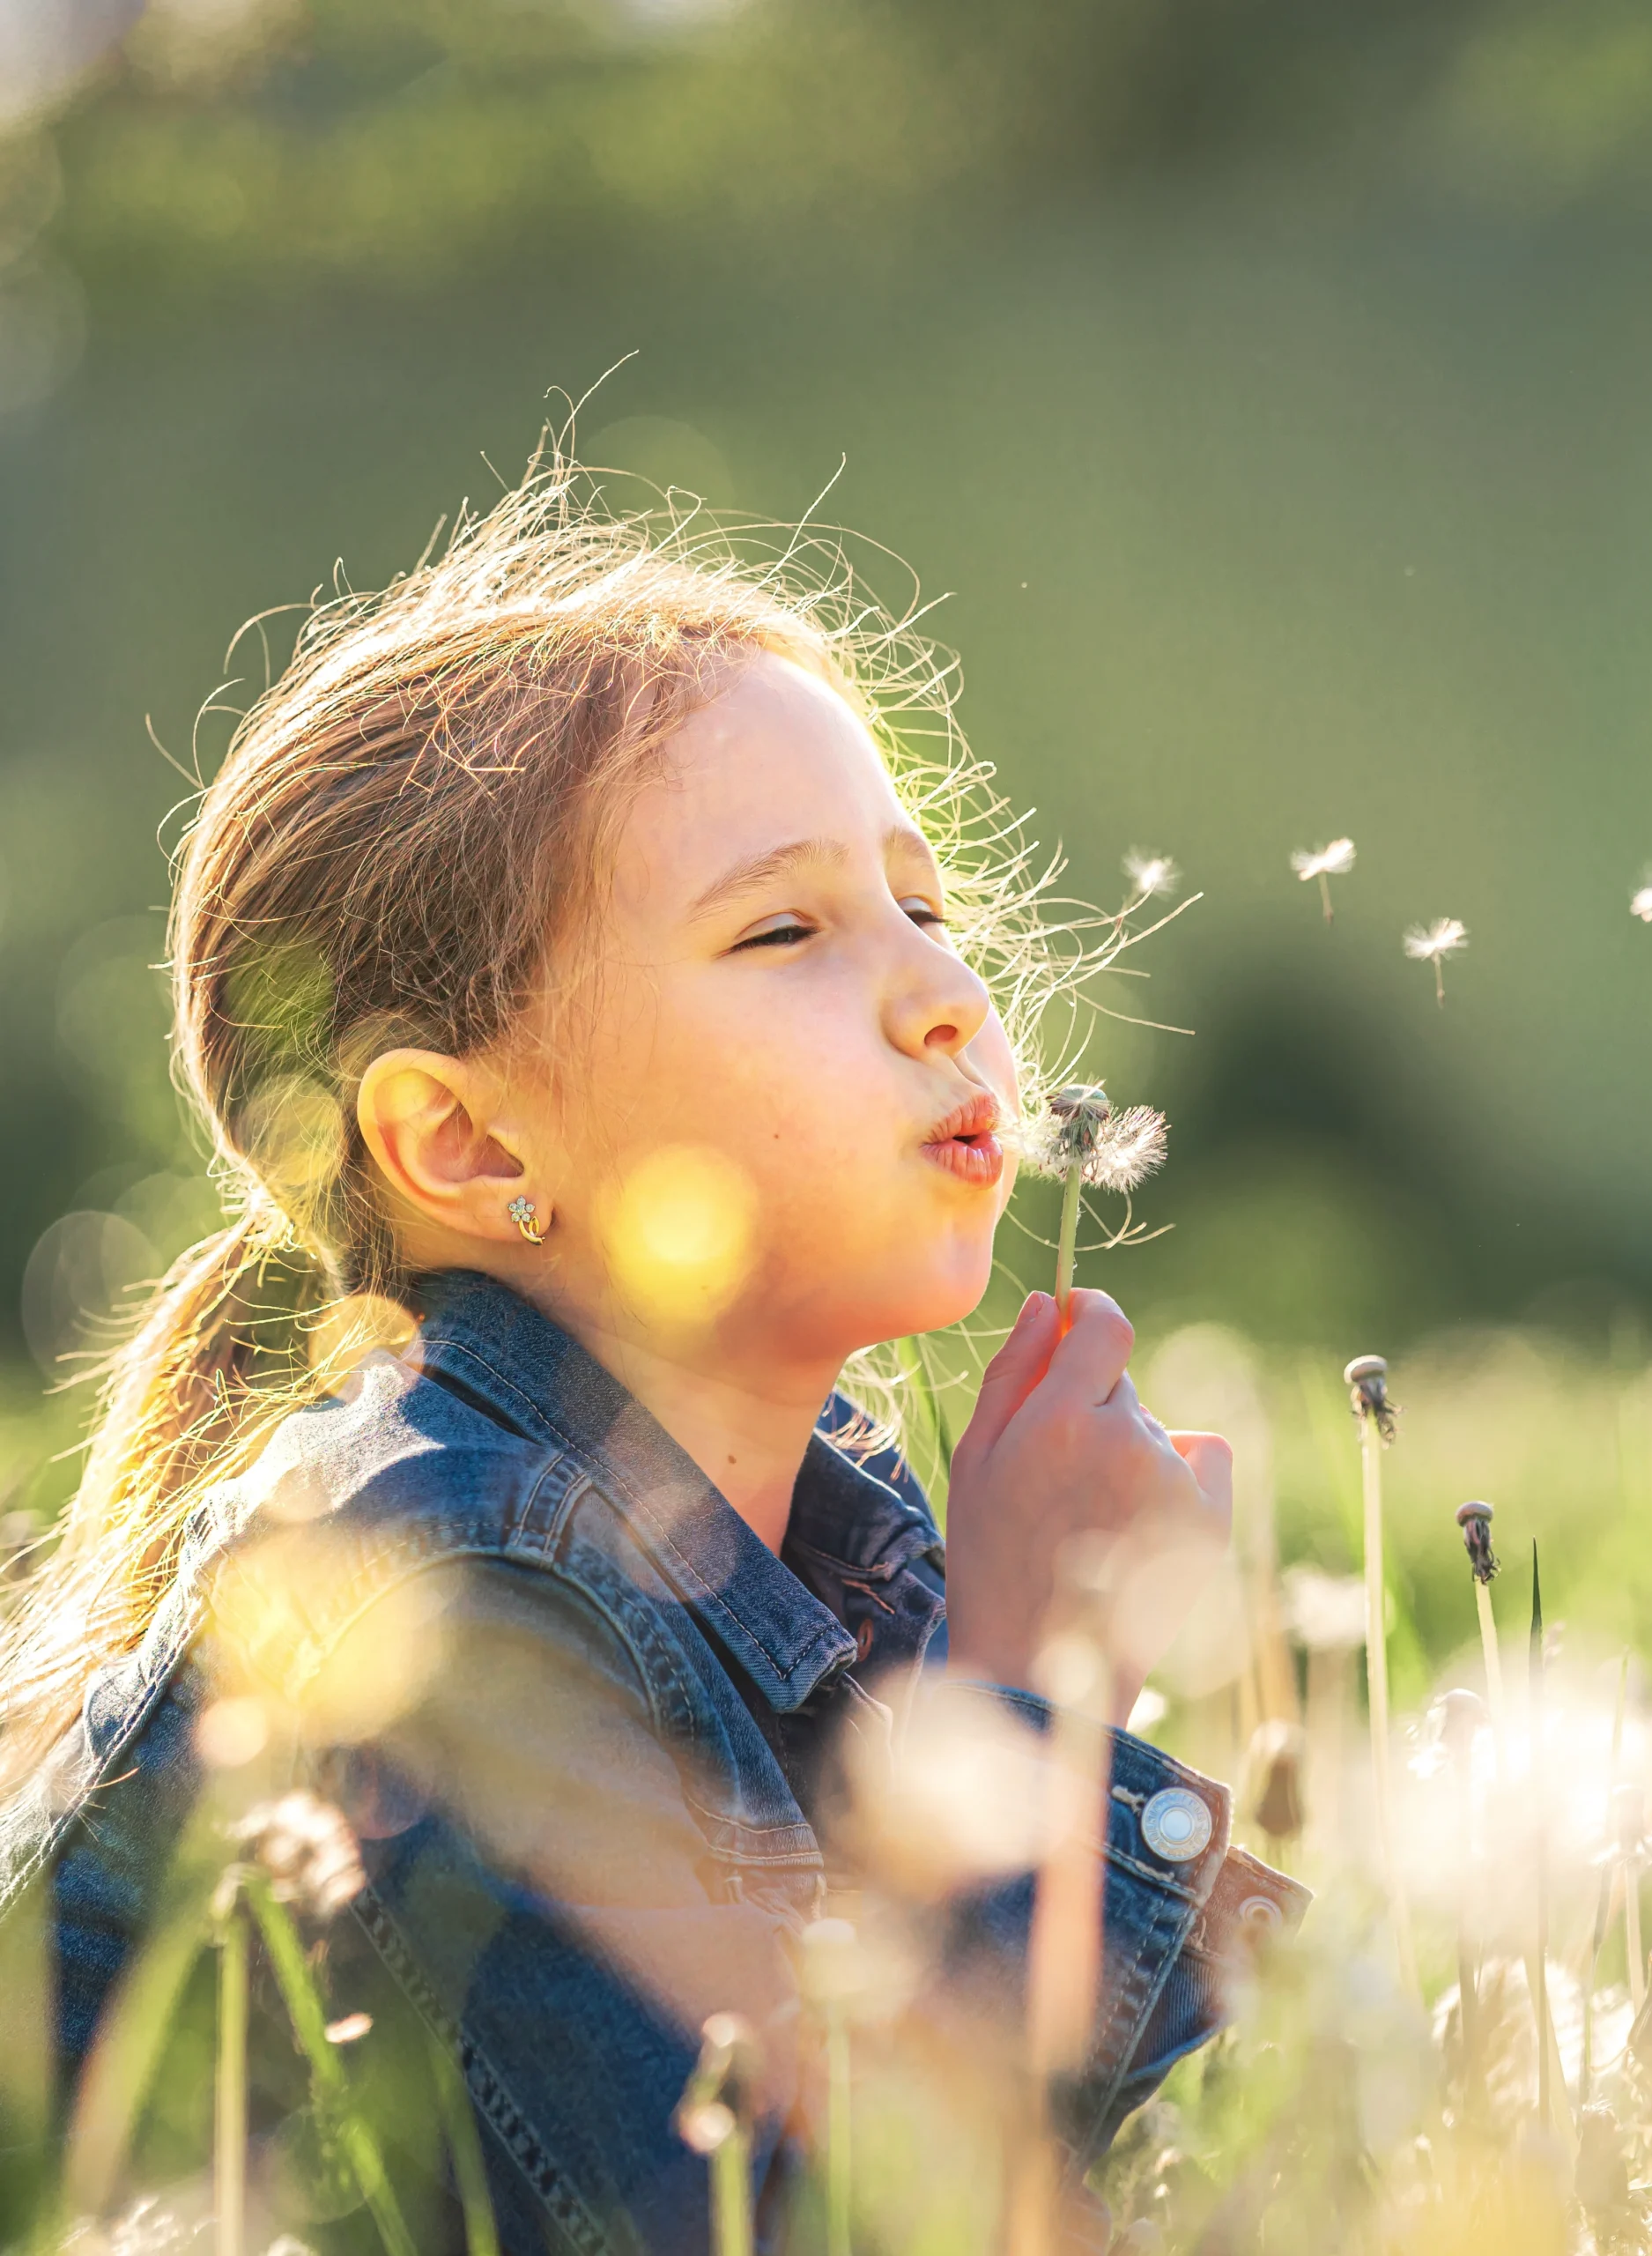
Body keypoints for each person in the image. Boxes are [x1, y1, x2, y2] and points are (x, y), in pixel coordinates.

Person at [0, 449, 1303, 2253]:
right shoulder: (438, 1586)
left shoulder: (811, 1545)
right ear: (466, 1144)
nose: (948, 993)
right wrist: (1034, 1686)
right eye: (786, 926)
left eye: (923, 905)